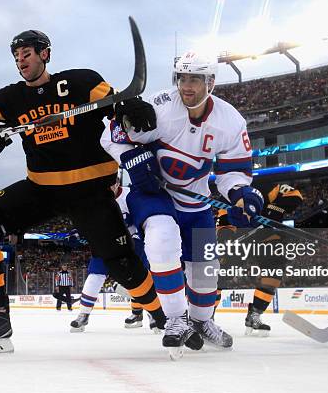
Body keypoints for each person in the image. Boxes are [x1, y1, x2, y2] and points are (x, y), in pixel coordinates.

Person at [0, 29, 165, 353]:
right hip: (43, 188)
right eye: (16, 56)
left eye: (27, 54)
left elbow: (117, 103)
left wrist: (132, 108)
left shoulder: (80, 82)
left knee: (121, 263)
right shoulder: (8, 99)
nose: (21, 61)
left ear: (45, 54)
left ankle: (163, 317)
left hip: (90, 189)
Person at [101, 50, 263, 355]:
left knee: (205, 269)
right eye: (182, 78)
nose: (186, 86)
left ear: (211, 82)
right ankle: (175, 319)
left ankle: (202, 321)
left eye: (195, 79)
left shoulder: (230, 121)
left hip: (196, 201)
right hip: (154, 194)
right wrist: (132, 158)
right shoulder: (159, 107)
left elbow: (233, 172)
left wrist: (242, 194)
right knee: (162, 240)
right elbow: (109, 136)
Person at [70, 173, 160, 333]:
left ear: (118, 182)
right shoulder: (96, 199)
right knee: (94, 275)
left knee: (141, 278)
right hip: (105, 242)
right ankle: (83, 314)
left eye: (112, 183)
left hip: (132, 242)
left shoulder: (130, 196)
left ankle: (152, 314)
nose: (109, 187)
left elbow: (144, 219)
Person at [215, 182, 303, 336]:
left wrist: (272, 211)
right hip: (241, 238)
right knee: (219, 276)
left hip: (267, 237)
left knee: (274, 272)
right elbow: (223, 225)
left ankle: (254, 315)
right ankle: (206, 317)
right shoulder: (228, 195)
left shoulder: (264, 190)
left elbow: (295, 195)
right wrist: (226, 240)